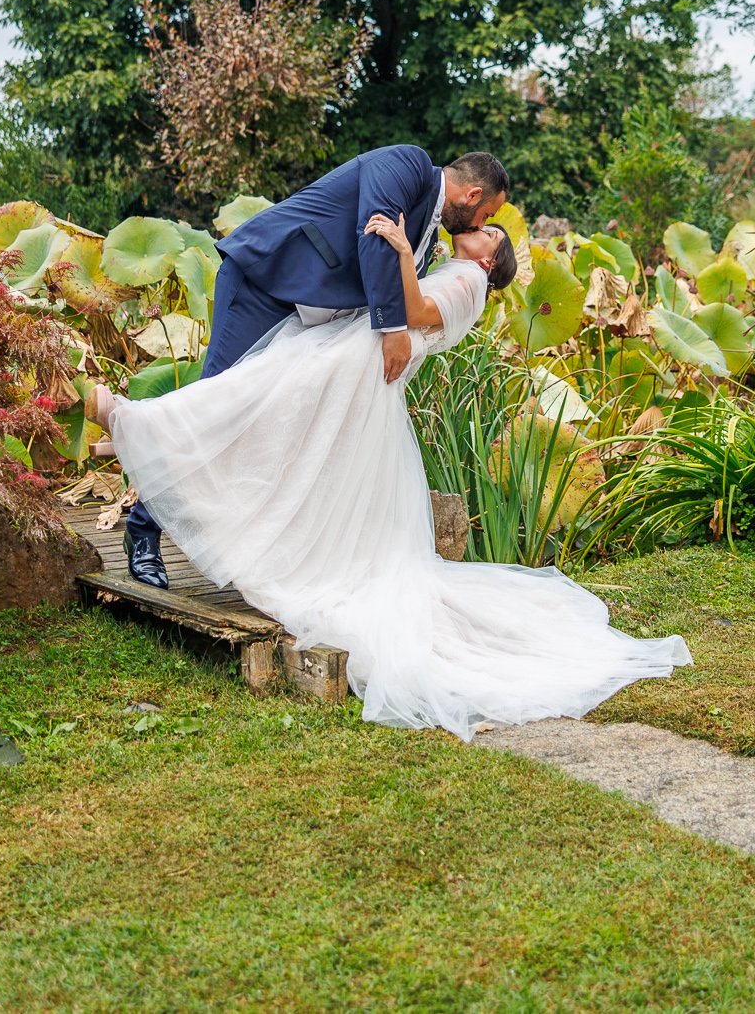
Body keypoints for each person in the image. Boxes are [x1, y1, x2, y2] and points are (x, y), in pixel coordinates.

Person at [85, 210, 691, 741]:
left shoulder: (469, 282)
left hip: (357, 366)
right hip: (356, 363)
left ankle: (135, 427)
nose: (475, 233)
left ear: (492, 258)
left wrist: (402, 252)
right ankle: (144, 435)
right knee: (260, 412)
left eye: (488, 234)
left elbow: (420, 309)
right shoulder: (461, 270)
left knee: (259, 408)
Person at [119, 146, 509, 589]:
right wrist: (393, 329)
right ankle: (143, 530)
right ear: (472, 194)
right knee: (217, 405)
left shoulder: (430, 232)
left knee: (261, 422)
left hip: (309, 318)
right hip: (268, 282)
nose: (481, 225)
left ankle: (231, 535)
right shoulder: (408, 164)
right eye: (486, 215)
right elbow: (373, 234)